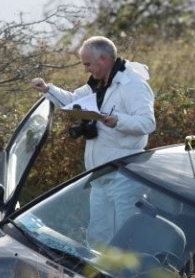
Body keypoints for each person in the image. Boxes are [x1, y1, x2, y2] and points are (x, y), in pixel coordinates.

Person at [31, 36, 156, 246]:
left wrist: (118, 121)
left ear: (104, 59)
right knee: (98, 236)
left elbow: (147, 123)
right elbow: (73, 102)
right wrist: (47, 89)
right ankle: (92, 277)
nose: (86, 70)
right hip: (99, 175)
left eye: (88, 64)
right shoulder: (98, 83)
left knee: (122, 239)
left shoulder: (133, 85)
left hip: (124, 176)